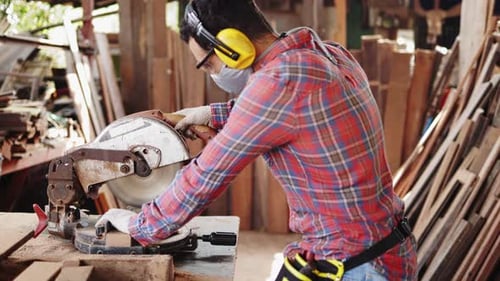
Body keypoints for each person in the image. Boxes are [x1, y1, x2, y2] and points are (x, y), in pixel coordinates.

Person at [97, 0, 417, 280]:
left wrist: (140, 226)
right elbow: (292, 112)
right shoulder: (326, 54)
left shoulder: (278, 81)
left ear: (232, 44)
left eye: (208, 63)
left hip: (356, 267)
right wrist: (211, 113)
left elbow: (205, 175)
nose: (212, 73)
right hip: (384, 249)